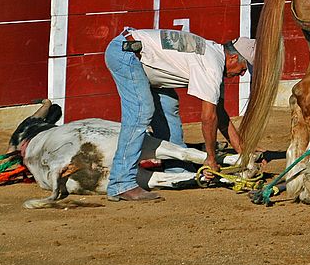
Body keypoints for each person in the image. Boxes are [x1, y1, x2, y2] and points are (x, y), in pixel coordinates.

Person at [104, 27, 255, 202]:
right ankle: (121, 183)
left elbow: (220, 115)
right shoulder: (212, 66)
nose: (242, 73)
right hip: (127, 53)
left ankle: (176, 168)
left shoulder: (215, 58)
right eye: (243, 68)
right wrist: (211, 159)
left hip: (137, 55)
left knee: (169, 106)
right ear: (234, 57)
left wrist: (244, 154)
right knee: (141, 111)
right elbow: (209, 118)